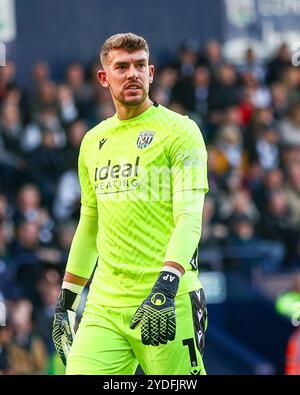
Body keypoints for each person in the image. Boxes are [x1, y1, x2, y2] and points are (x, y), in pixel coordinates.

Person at [52, 32, 209, 375]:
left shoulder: (181, 132)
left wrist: (166, 285)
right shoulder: (93, 142)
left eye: (140, 65)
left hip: (168, 299)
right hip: (105, 306)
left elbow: (189, 218)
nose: (133, 74)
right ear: (104, 77)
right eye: (122, 67)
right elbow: (90, 224)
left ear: (151, 73)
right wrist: (67, 300)